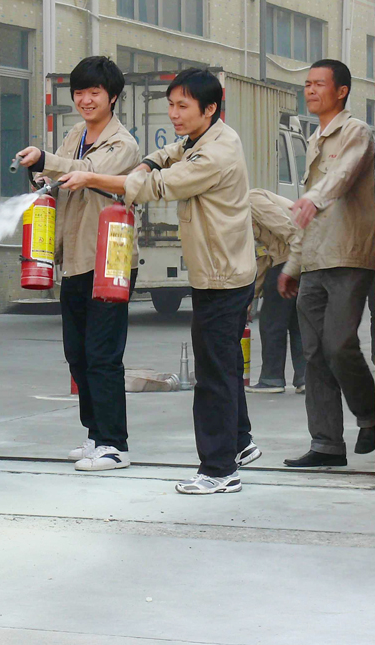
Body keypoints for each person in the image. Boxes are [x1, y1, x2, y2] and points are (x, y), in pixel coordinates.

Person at [58, 68, 260, 494]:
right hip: (215, 271)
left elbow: (159, 186)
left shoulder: (216, 153)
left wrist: (92, 178)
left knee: (213, 375)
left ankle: (219, 470)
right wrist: (151, 159)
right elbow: (167, 156)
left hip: (223, 275)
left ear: (210, 108)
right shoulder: (198, 139)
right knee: (222, 365)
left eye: (182, 106)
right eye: (170, 105)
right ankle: (240, 442)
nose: (173, 114)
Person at [15, 56, 141, 471]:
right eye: (80, 92)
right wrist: (41, 176)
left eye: (94, 92)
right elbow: (62, 177)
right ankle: (95, 434)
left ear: (113, 97)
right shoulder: (75, 134)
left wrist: (45, 159)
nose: (86, 100)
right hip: (75, 260)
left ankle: (114, 444)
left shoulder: (122, 145)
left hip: (109, 260)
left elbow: (87, 173)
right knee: (78, 354)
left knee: (103, 354)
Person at [277, 60, 375, 467]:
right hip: (315, 259)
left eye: (319, 84)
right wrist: (292, 265)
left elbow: (342, 175)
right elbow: (308, 215)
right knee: (314, 354)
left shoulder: (356, 132)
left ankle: (370, 414)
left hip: (349, 255)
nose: (311, 90)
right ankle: (326, 444)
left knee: (338, 344)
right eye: (307, 84)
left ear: (342, 91)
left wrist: (313, 198)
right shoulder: (314, 138)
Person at [245, 190, 306, 395]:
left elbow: (283, 225)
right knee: (297, 322)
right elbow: (263, 257)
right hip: (298, 259)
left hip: (290, 259)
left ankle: (272, 379)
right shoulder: (250, 209)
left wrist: (296, 255)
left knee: (272, 322)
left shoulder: (251, 199)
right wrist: (251, 297)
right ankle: (306, 378)